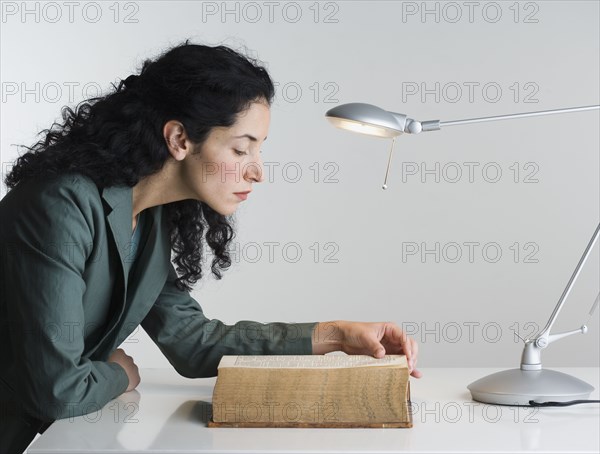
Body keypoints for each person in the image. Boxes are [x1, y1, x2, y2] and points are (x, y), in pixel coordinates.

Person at [0, 41, 421, 453]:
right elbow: (56, 391)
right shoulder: (61, 207)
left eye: (258, 150)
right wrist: (116, 373)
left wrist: (338, 335)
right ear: (180, 139)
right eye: (241, 149)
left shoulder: (147, 217)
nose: (257, 172)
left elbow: (192, 343)